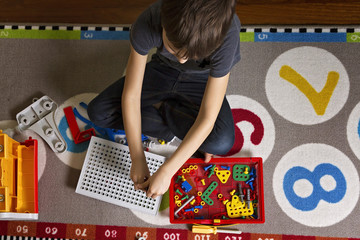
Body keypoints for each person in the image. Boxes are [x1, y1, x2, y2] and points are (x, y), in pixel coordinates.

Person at [87, 0, 241, 199]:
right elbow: (131, 95)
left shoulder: (227, 33)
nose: (182, 60)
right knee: (98, 112)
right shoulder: (149, 20)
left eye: (193, 56)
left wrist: (168, 170)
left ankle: (162, 107)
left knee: (221, 142)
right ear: (165, 25)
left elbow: (207, 118)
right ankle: (173, 117)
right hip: (161, 71)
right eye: (175, 50)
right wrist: (137, 156)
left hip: (201, 81)